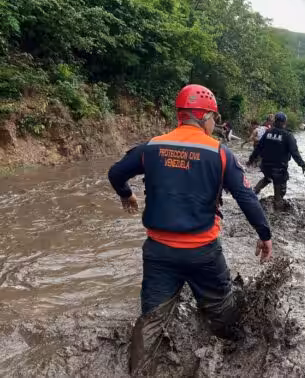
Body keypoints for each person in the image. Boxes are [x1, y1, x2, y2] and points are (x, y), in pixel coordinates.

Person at [108, 84, 272, 348]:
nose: (213, 124)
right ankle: (230, 358)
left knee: (151, 322)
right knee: (223, 315)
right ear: (206, 117)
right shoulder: (219, 153)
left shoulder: (151, 148)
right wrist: (265, 234)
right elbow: (246, 197)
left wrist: (127, 195)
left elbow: (115, 173)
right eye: (214, 119)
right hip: (203, 252)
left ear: (180, 115)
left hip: (159, 252)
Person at [247, 112, 305, 208]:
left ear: (275, 121)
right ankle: (277, 211)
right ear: (285, 122)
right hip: (279, 169)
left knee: (267, 178)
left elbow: (258, 148)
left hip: (265, 166)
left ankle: (253, 193)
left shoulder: (268, 133)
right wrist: (302, 165)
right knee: (280, 193)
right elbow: (294, 153)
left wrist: (250, 160)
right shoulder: (288, 136)